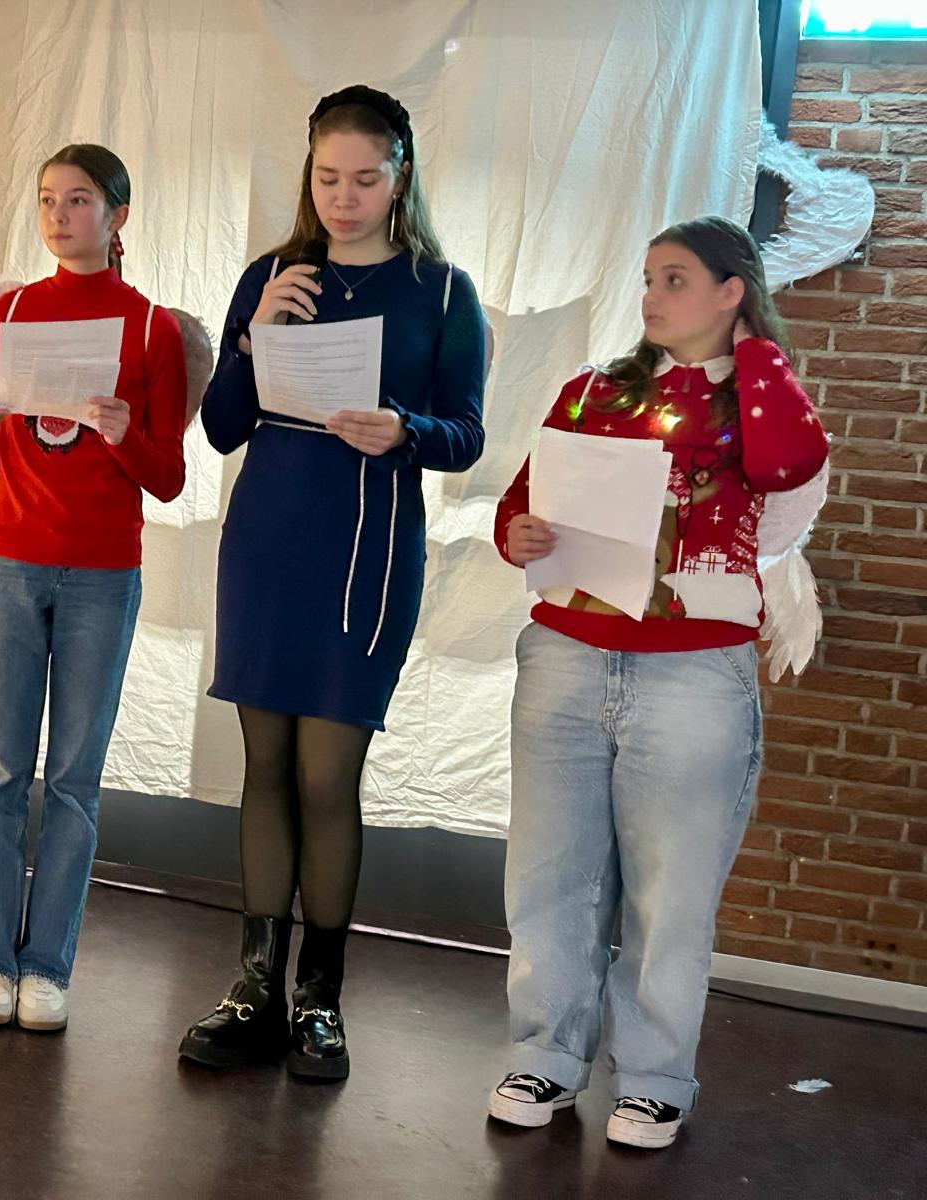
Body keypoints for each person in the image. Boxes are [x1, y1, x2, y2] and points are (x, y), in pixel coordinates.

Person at [487, 215, 828, 1148]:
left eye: (675, 279)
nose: (651, 296)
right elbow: (522, 507)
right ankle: (545, 1055)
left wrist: (754, 352)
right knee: (550, 873)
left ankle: (653, 1077)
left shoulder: (764, 398)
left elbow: (789, 464)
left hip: (693, 673)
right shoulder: (594, 390)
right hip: (568, 654)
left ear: (731, 291)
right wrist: (520, 534)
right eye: (647, 279)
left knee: (670, 888)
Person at [178, 85, 487, 1080]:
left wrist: (407, 428)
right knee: (264, 768)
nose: (344, 197)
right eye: (327, 178)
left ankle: (320, 998)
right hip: (267, 542)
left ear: (400, 176)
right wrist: (252, 333)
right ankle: (253, 987)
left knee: (325, 777)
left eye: (364, 178)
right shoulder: (270, 275)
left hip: (364, 553)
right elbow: (221, 426)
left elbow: (466, 434)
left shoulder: (443, 292)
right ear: (307, 176)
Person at [0, 144, 188, 1032]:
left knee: (75, 780)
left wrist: (124, 433)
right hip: (9, 560)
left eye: (79, 200)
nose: (59, 215)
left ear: (117, 216)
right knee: (1, 771)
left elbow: (168, 477)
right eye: (48, 199)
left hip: (102, 574)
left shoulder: (153, 328)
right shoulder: (8, 312)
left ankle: (47, 966)